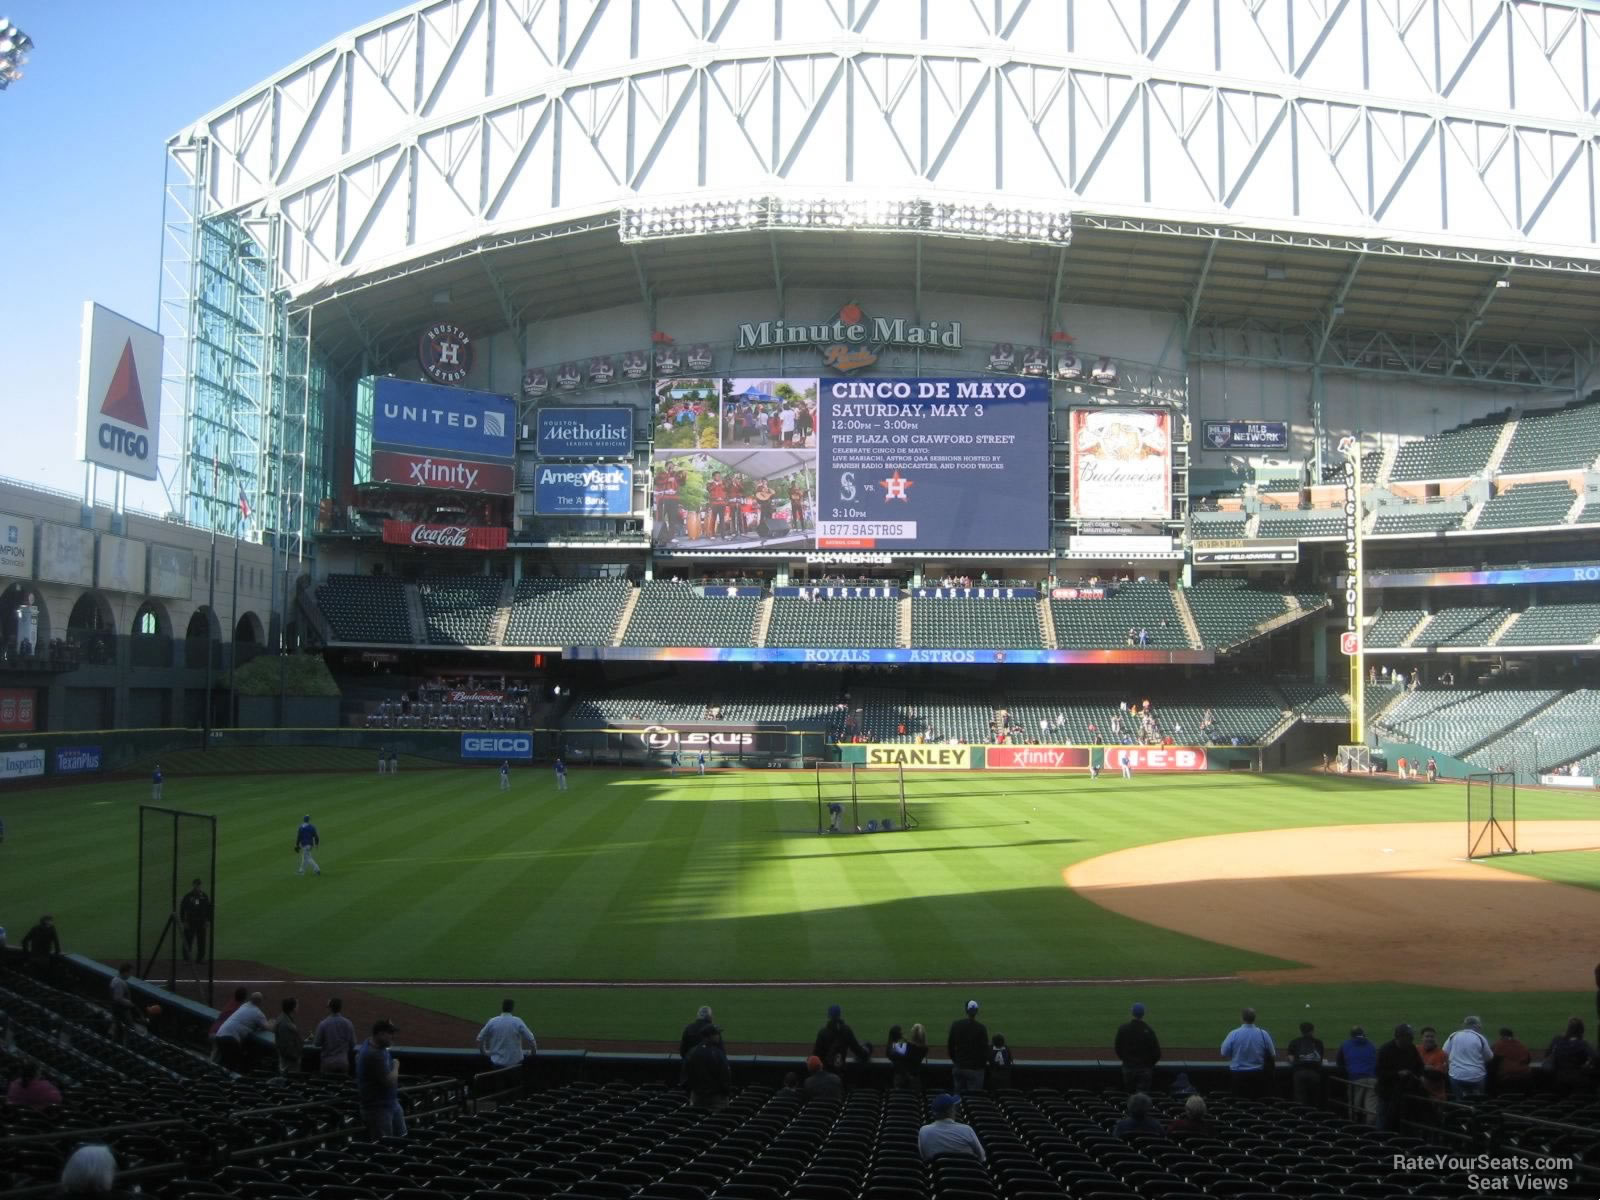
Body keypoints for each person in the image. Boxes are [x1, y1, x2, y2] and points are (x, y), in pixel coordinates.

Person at [357, 1019, 405, 1138]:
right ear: (380, 1034)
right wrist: (396, 1066)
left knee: (401, 1139)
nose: (393, 1037)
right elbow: (389, 1082)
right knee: (387, 1146)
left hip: (390, 1103)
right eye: (390, 1033)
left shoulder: (372, 1044)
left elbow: (357, 1057)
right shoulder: (374, 1054)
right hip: (378, 1109)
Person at [1376, 1023, 1425, 1131]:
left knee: (1402, 1124)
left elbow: (1419, 1065)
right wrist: (1397, 1074)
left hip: (1404, 1094)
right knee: (1384, 1124)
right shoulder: (1385, 1050)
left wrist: (1421, 1076)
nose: (1412, 1039)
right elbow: (1379, 1073)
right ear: (1400, 1037)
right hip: (1387, 1094)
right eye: (1409, 1037)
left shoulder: (1411, 1048)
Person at [1220, 1007, 1276, 1098]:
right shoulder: (1263, 1034)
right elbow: (1273, 1055)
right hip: (1258, 1075)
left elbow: (1223, 1053)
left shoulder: (1234, 1034)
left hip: (1238, 1075)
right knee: (1257, 1102)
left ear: (1242, 1018)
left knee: (1238, 1103)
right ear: (1255, 1018)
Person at [476, 997, 537, 1075]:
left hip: (497, 1065)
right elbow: (531, 1039)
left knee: (499, 1086)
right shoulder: (517, 1021)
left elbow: (479, 1039)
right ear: (512, 1008)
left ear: (502, 1007)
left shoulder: (492, 1021)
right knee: (515, 1086)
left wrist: (484, 1052)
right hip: (515, 1064)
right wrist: (533, 1053)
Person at [917, 1094, 986, 1162]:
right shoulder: (967, 1130)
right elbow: (982, 1157)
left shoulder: (924, 1131)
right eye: (954, 1107)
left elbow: (924, 1157)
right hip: (966, 1172)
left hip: (938, 1172)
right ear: (951, 1110)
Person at [215, 991, 272, 1071]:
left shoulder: (244, 1006)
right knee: (234, 1065)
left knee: (224, 1064)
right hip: (230, 1039)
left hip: (219, 1035)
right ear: (260, 1002)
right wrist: (272, 1023)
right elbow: (267, 1027)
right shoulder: (257, 1013)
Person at [1442, 1015, 1494, 1100]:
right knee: (1479, 1101)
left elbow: (1444, 1053)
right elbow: (1489, 1057)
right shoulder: (1480, 1037)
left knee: (1460, 1101)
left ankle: (1460, 1105)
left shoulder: (1454, 1035)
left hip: (1457, 1075)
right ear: (1476, 1025)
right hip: (1477, 1076)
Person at [1115, 1002, 1161, 1093]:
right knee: (1142, 1098)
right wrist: (1148, 1065)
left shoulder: (1123, 1029)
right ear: (1143, 1014)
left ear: (1132, 1012)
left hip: (1128, 1067)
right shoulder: (1148, 1030)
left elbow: (1118, 1048)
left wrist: (1126, 1060)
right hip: (1145, 1069)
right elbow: (1157, 1053)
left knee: (1129, 1095)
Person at [1337, 1025, 1379, 1124]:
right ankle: (1371, 1132)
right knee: (1372, 1110)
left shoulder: (1346, 1044)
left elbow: (1339, 1062)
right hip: (1373, 1079)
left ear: (1351, 1035)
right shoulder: (1371, 1044)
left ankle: (1354, 1129)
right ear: (1363, 1035)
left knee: (1354, 1108)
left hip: (1356, 1078)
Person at [683, 1024, 731, 1110]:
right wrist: (725, 1093)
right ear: (710, 1036)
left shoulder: (692, 1051)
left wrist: (693, 1091)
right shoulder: (717, 1053)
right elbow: (725, 1076)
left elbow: (685, 1075)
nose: (718, 1036)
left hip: (697, 1096)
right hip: (716, 1098)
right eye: (716, 1034)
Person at [813, 1004, 869, 1075]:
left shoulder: (823, 1032)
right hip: (841, 1072)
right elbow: (857, 1050)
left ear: (828, 1016)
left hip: (826, 1072)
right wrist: (867, 1051)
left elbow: (816, 1055)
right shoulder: (846, 1030)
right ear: (839, 1015)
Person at [947, 999, 989, 1094]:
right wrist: (980, 1066)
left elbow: (950, 1046)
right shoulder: (981, 1028)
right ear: (977, 1011)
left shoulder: (956, 1025)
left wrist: (956, 1060)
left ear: (966, 1010)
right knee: (974, 1099)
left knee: (958, 1099)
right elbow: (985, 1050)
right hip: (975, 1070)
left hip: (959, 1067)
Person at [1544, 1017, 1597, 1092]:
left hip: (1559, 1080)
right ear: (1581, 1031)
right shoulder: (1582, 1044)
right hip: (1577, 1081)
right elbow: (1595, 1057)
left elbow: (1546, 1055)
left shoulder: (1557, 1039)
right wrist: (1587, 1064)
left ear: (1568, 1029)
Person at [1285, 1021, 1325, 1107]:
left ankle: (1301, 1118)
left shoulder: (1294, 1042)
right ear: (1312, 1031)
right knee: (1314, 1099)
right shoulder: (1319, 1043)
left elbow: (1291, 1059)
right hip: (1315, 1073)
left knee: (1299, 1100)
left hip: (1299, 1073)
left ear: (1301, 1031)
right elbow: (1320, 1059)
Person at [314, 997, 357, 1075]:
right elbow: (353, 1044)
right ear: (340, 1008)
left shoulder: (323, 1024)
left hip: (327, 1062)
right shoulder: (348, 1023)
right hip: (343, 1062)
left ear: (330, 1008)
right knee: (342, 1086)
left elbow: (317, 1043)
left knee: (327, 1085)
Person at [1490, 1026, 1532, 1093]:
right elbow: (1528, 1060)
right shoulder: (1521, 1045)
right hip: (1525, 1075)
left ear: (1502, 1036)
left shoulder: (1499, 1044)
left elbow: (1492, 1060)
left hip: (1507, 1077)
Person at [180, 878, 211, 963]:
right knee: (188, 940)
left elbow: (208, 909)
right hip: (190, 921)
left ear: (200, 886)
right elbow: (182, 909)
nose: (197, 886)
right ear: (193, 885)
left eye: (198, 885)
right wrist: (184, 921)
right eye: (196, 885)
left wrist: (208, 920)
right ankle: (186, 959)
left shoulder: (204, 896)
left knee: (201, 941)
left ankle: (200, 959)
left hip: (201, 922)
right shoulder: (188, 896)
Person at [21, 915, 59, 979]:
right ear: (46, 922)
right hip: (44, 958)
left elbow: (24, 941)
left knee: (33, 978)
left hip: (34, 957)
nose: (52, 922)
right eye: (50, 920)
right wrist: (57, 953)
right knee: (43, 978)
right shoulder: (51, 930)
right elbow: (56, 942)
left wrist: (26, 953)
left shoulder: (35, 928)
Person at [1417, 1026, 1448, 1102]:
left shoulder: (1441, 1054)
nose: (1430, 1039)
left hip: (1435, 1097)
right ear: (1422, 1038)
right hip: (1418, 1096)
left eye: (1432, 1037)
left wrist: (1420, 1068)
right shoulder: (1416, 1049)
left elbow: (1437, 1075)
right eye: (1427, 1036)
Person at [109, 964, 140, 1040]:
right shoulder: (119, 982)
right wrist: (130, 1004)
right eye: (129, 973)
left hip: (117, 1007)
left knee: (116, 1025)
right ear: (125, 972)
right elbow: (118, 998)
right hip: (121, 1009)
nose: (130, 975)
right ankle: (128, 1044)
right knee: (130, 1027)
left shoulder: (116, 979)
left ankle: (113, 1040)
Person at [276, 998, 302, 1074]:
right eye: (297, 1005)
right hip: (289, 1062)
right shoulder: (285, 1023)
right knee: (290, 1080)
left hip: (289, 1059)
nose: (298, 1007)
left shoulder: (285, 1019)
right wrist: (296, 1056)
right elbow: (286, 1044)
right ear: (292, 1008)